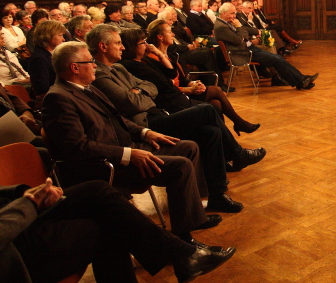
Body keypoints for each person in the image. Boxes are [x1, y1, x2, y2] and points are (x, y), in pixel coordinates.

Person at [42, 41, 223, 239]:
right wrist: (128, 154)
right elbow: (77, 147)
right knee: (180, 166)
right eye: (90, 61)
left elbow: (119, 120)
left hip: (127, 147)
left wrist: (145, 132)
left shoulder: (87, 87)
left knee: (189, 147)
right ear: (74, 67)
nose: (95, 65)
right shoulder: (58, 98)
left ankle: (193, 215)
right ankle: (184, 238)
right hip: (107, 165)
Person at [86, 25, 260, 206]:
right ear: (103, 47)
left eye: (122, 43)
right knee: (208, 109)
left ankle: (217, 194)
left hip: (157, 113)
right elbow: (132, 102)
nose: (122, 47)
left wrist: (138, 91)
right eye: (117, 43)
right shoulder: (99, 74)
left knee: (211, 132)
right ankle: (237, 153)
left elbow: (151, 87)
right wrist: (140, 94)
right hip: (144, 126)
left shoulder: (118, 68)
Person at [0, 179, 234, 283]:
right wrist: (29, 204)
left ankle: (183, 256)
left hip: (13, 212)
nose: (95, 73)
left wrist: (22, 193)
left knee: (98, 191)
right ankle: (183, 257)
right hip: (10, 249)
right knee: (109, 224)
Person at [129, 23, 260, 137]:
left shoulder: (170, 54)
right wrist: (190, 89)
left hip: (182, 91)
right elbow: (166, 87)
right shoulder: (153, 58)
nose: (173, 34)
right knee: (216, 91)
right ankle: (237, 125)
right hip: (176, 98)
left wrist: (192, 83)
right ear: (160, 37)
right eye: (169, 32)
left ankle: (225, 138)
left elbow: (179, 77)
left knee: (216, 103)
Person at [214, 3, 318, 89]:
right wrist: (240, 27)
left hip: (248, 48)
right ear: (223, 13)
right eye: (232, 13)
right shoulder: (221, 27)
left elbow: (244, 35)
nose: (234, 16)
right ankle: (299, 82)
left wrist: (241, 34)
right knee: (276, 59)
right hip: (242, 54)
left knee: (278, 57)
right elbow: (238, 40)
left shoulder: (227, 22)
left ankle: (301, 79)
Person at [27, 20, 66, 97]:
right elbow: (42, 89)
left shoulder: (55, 53)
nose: (63, 39)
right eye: (60, 35)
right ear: (48, 36)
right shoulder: (38, 59)